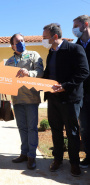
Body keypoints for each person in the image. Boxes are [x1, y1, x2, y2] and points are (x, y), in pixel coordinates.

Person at [42, 23, 89, 177]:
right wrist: (36, 82)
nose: (43, 40)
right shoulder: (51, 52)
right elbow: (48, 73)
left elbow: (84, 72)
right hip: (53, 99)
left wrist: (65, 86)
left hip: (70, 99)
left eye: (45, 37)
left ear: (55, 36)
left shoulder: (75, 49)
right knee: (55, 131)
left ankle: (74, 163)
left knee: (72, 132)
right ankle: (58, 159)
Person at [5, 33, 44, 170]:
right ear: (12, 45)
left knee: (32, 128)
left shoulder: (34, 55)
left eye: (22, 40)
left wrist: (29, 73)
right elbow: (6, 79)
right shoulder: (9, 61)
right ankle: (24, 153)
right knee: (22, 128)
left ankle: (32, 156)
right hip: (16, 99)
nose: (21, 42)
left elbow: (40, 72)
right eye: (18, 41)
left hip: (31, 98)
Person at [73, 15, 90, 169]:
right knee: (84, 127)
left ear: (85, 24)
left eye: (76, 26)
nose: (74, 30)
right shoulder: (76, 46)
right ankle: (88, 157)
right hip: (83, 93)